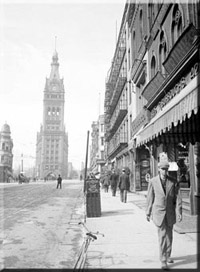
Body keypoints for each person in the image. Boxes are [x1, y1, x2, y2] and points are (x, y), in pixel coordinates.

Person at [146, 152, 182, 270]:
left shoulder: (173, 181)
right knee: (162, 236)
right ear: (158, 169)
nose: (164, 172)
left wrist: (179, 211)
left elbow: (178, 197)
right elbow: (150, 197)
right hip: (159, 213)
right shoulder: (153, 181)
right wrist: (148, 212)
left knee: (169, 236)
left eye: (166, 169)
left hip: (170, 212)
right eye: (162, 169)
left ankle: (168, 255)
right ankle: (163, 260)